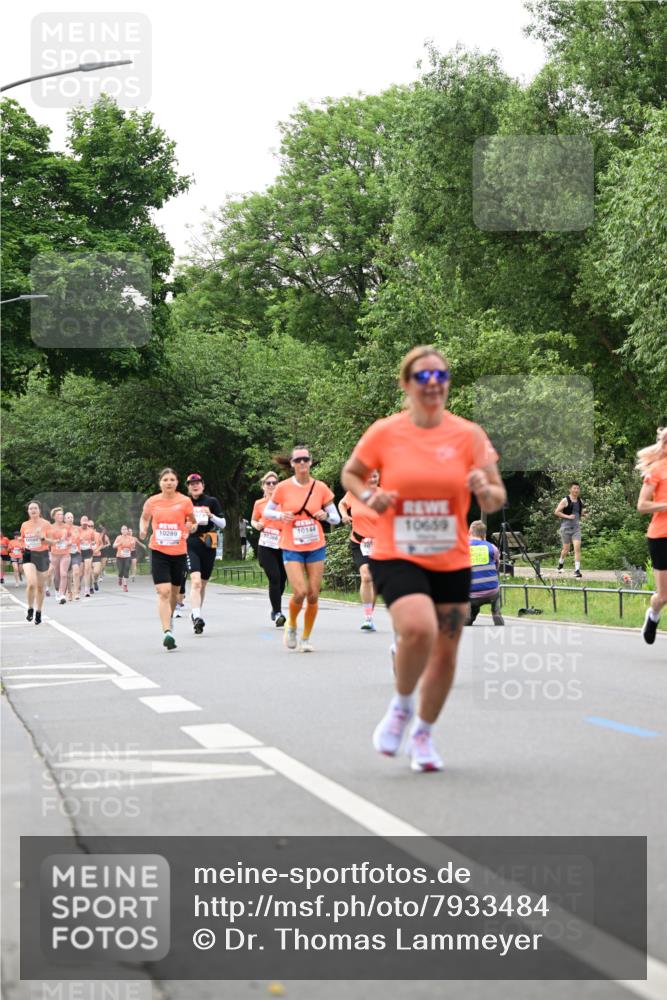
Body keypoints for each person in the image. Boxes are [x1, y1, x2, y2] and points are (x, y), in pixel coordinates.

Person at [342, 345, 506, 772]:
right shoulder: (385, 432)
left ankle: (423, 734)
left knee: (447, 652)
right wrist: (368, 496)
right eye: (423, 378)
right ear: (406, 384)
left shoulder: (468, 434)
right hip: (397, 550)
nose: (433, 385)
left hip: (450, 556)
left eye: (441, 377)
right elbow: (352, 473)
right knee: (417, 628)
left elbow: (496, 492)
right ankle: (400, 706)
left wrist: (485, 491)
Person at [263, 446, 341, 652]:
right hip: (291, 545)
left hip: (315, 545)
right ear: (292, 464)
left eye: (305, 459)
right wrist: (281, 516)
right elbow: (267, 511)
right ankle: (291, 625)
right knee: (300, 591)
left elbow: (337, 518)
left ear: (310, 461)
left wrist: (326, 516)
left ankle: (305, 638)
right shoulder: (283, 488)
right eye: (298, 460)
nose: (302, 463)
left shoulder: (321, 487)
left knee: (314, 594)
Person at [139, 468, 196, 650]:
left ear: (177, 482)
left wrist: (191, 528)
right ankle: (167, 632)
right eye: (165, 479)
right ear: (160, 482)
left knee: (174, 593)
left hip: (178, 552)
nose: (169, 482)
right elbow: (144, 518)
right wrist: (143, 528)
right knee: (163, 592)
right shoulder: (152, 501)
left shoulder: (185, 501)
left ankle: (169, 618)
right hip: (159, 551)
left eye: (172, 479)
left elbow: (192, 521)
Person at [184, 472, 226, 634]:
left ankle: (196, 614)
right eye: (191, 483)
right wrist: (187, 527)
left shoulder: (211, 501)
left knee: (203, 583)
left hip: (209, 541)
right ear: (188, 487)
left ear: (203, 485)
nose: (195, 485)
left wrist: (211, 515)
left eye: (198, 483)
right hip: (191, 542)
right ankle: (197, 616)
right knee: (195, 581)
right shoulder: (184, 502)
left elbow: (223, 524)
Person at [636, 426, 667, 645]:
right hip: (660, 536)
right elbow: (642, 505)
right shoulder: (657, 470)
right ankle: (653, 616)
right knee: (663, 596)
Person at [339, 471, 381, 631]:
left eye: (375, 475)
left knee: (375, 579)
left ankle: (370, 615)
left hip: (379, 543)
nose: (372, 478)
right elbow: (342, 504)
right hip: (359, 541)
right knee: (366, 575)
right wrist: (344, 515)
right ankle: (367, 616)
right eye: (369, 475)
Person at [251, 471, 287, 627]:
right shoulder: (259, 503)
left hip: (284, 543)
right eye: (268, 483)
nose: (271, 485)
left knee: (283, 579)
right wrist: (256, 525)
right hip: (266, 545)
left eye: (274, 483)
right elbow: (253, 520)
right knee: (274, 577)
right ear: (263, 486)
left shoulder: (284, 502)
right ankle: (278, 612)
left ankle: (274, 607)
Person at [20, 500, 55, 624]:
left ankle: (38, 611)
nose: (33, 510)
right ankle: (30, 607)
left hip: (42, 555)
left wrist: (42, 537)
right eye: (31, 509)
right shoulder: (24, 525)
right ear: (28, 511)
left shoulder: (46, 524)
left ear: (39, 510)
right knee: (31, 583)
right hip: (29, 554)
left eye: (35, 508)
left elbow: (53, 542)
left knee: (40, 587)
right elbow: (23, 540)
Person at [465, 520, 504, 626]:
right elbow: (497, 566)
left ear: (469, 532)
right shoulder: (492, 548)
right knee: (496, 591)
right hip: (491, 592)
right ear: (484, 534)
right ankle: (495, 611)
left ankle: (469, 614)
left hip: (471, 595)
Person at [555, 483, 585, 578]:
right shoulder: (565, 500)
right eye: (574, 488)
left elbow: (578, 512)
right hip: (565, 528)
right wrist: (568, 516)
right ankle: (560, 564)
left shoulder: (580, 501)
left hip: (576, 528)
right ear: (570, 489)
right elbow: (556, 512)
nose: (576, 490)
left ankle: (577, 570)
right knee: (566, 549)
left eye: (578, 488)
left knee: (577, 548)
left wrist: (584, 515)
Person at [49, 507, 72, 605]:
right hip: (54, 554)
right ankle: (57, 591)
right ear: (54, 516)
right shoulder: (50, 527)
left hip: (65, 553)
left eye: (62, 515)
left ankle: (62, 594)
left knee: (64, 574)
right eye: (58, 515)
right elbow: (48, 541)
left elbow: (70, 537)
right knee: (57, 575)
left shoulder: (67, 526)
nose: (61, 516)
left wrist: (69, 542)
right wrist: (56, 541)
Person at [64, 511, 82, 600]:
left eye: (71, 517)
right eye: (68, 517)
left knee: (76, 571)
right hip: (66, 554)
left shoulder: (77, 528)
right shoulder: (62, 529)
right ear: (65, 519)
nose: (70, 519)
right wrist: (67, 543)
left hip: (76, 553)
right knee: (68, 575)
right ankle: (69, 592)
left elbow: (81, 538)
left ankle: (76, 592)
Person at [78, 516, 96, 597]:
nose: (84, 525)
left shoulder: (91, 531)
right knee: (80, 572)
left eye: (86, 524)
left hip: (88, 551)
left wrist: (92, 544)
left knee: (87, 570)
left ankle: (87, 589)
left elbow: (93, 540)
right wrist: (80, 540)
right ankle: (77, 586)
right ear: (80, 523)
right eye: (83, 524)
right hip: (80, 551)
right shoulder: (77, 530)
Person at [113, 525, 133, 592]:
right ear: (121, 531)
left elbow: (133, 545)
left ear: (127, 531)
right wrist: (118, 544)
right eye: (123, 529)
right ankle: (120, 578)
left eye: (125, 529)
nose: (124, 530)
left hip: (127, 556)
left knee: (126, 568)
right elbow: (113, 546)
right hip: (120, 557)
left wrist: (132, 543)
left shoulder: (130, 538)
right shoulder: (118, 537)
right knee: (121, 570)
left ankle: (125, 586)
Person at [89, 521, 104, 592]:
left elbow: (101, 544)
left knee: (96, 572)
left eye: (91, 526)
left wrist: (97, 549)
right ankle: (90, 587)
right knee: (89, 572)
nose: (90, 527)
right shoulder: (83, 535)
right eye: (88, 526)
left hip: (97, 555)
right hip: (87, 556)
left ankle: (95, 581)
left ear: (93, 527)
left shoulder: (97, 535)